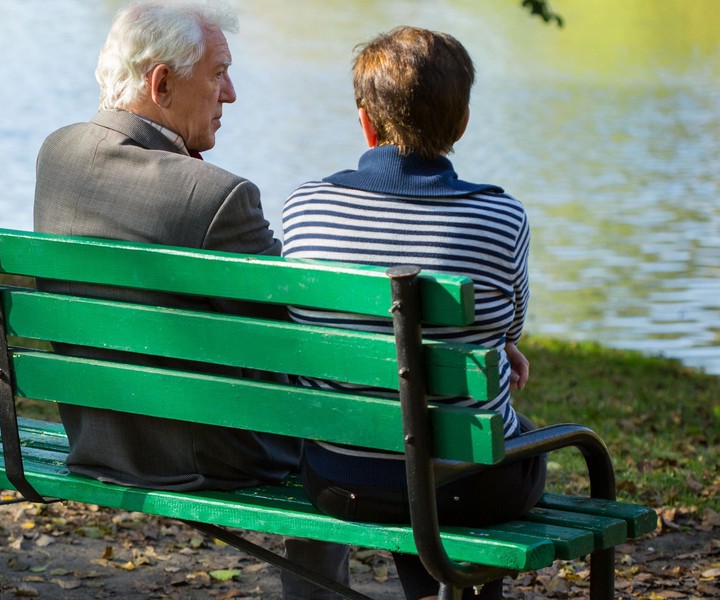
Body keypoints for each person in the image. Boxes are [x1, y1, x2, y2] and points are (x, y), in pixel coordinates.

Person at [33, 1, 350, 597]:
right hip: (205, 455)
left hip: (98, 436)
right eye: (218, 73)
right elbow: (303, 332)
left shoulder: (57, 155)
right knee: (339, 424)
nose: (230, 93)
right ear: (161, 83)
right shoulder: (218, 197)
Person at [281, 26, 546, 600]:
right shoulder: (500, 219)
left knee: (408, 449)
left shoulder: (306, 208)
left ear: (366, 123)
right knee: (504, 438)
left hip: (337, 476)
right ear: (462, 123)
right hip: (467, 491)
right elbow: (509, 326)